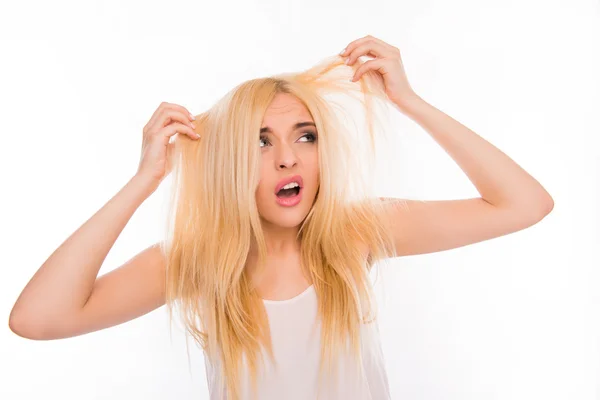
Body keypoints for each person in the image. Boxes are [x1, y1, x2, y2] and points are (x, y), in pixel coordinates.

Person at [9, 35, 554, 400]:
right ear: (229, 162)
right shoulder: (193, 262)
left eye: (305, 136)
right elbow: (37, 320)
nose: (287, 158)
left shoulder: (355, 234)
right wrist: (143, 181)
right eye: (260, 141)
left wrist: (408, 101)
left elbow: (524, 205)